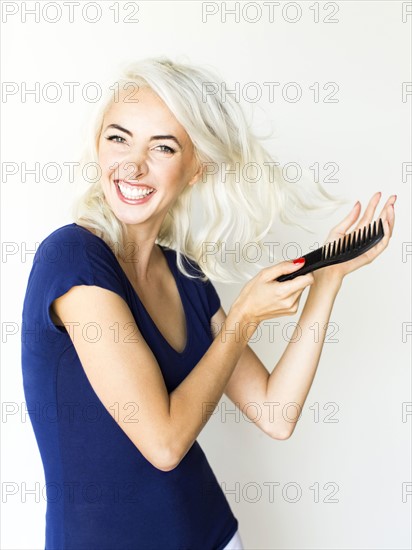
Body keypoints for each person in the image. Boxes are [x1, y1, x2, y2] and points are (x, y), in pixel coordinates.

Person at [21, 57, 396, 550]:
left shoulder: (184, 275)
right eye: (119, 138)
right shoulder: (72, 259)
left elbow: (275, 412)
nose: (133, 164)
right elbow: (164, 443)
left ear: (195, 167)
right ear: (98, 146)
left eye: (163, 146)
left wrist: (326, 283)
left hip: (213, 535)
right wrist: (242, 318)